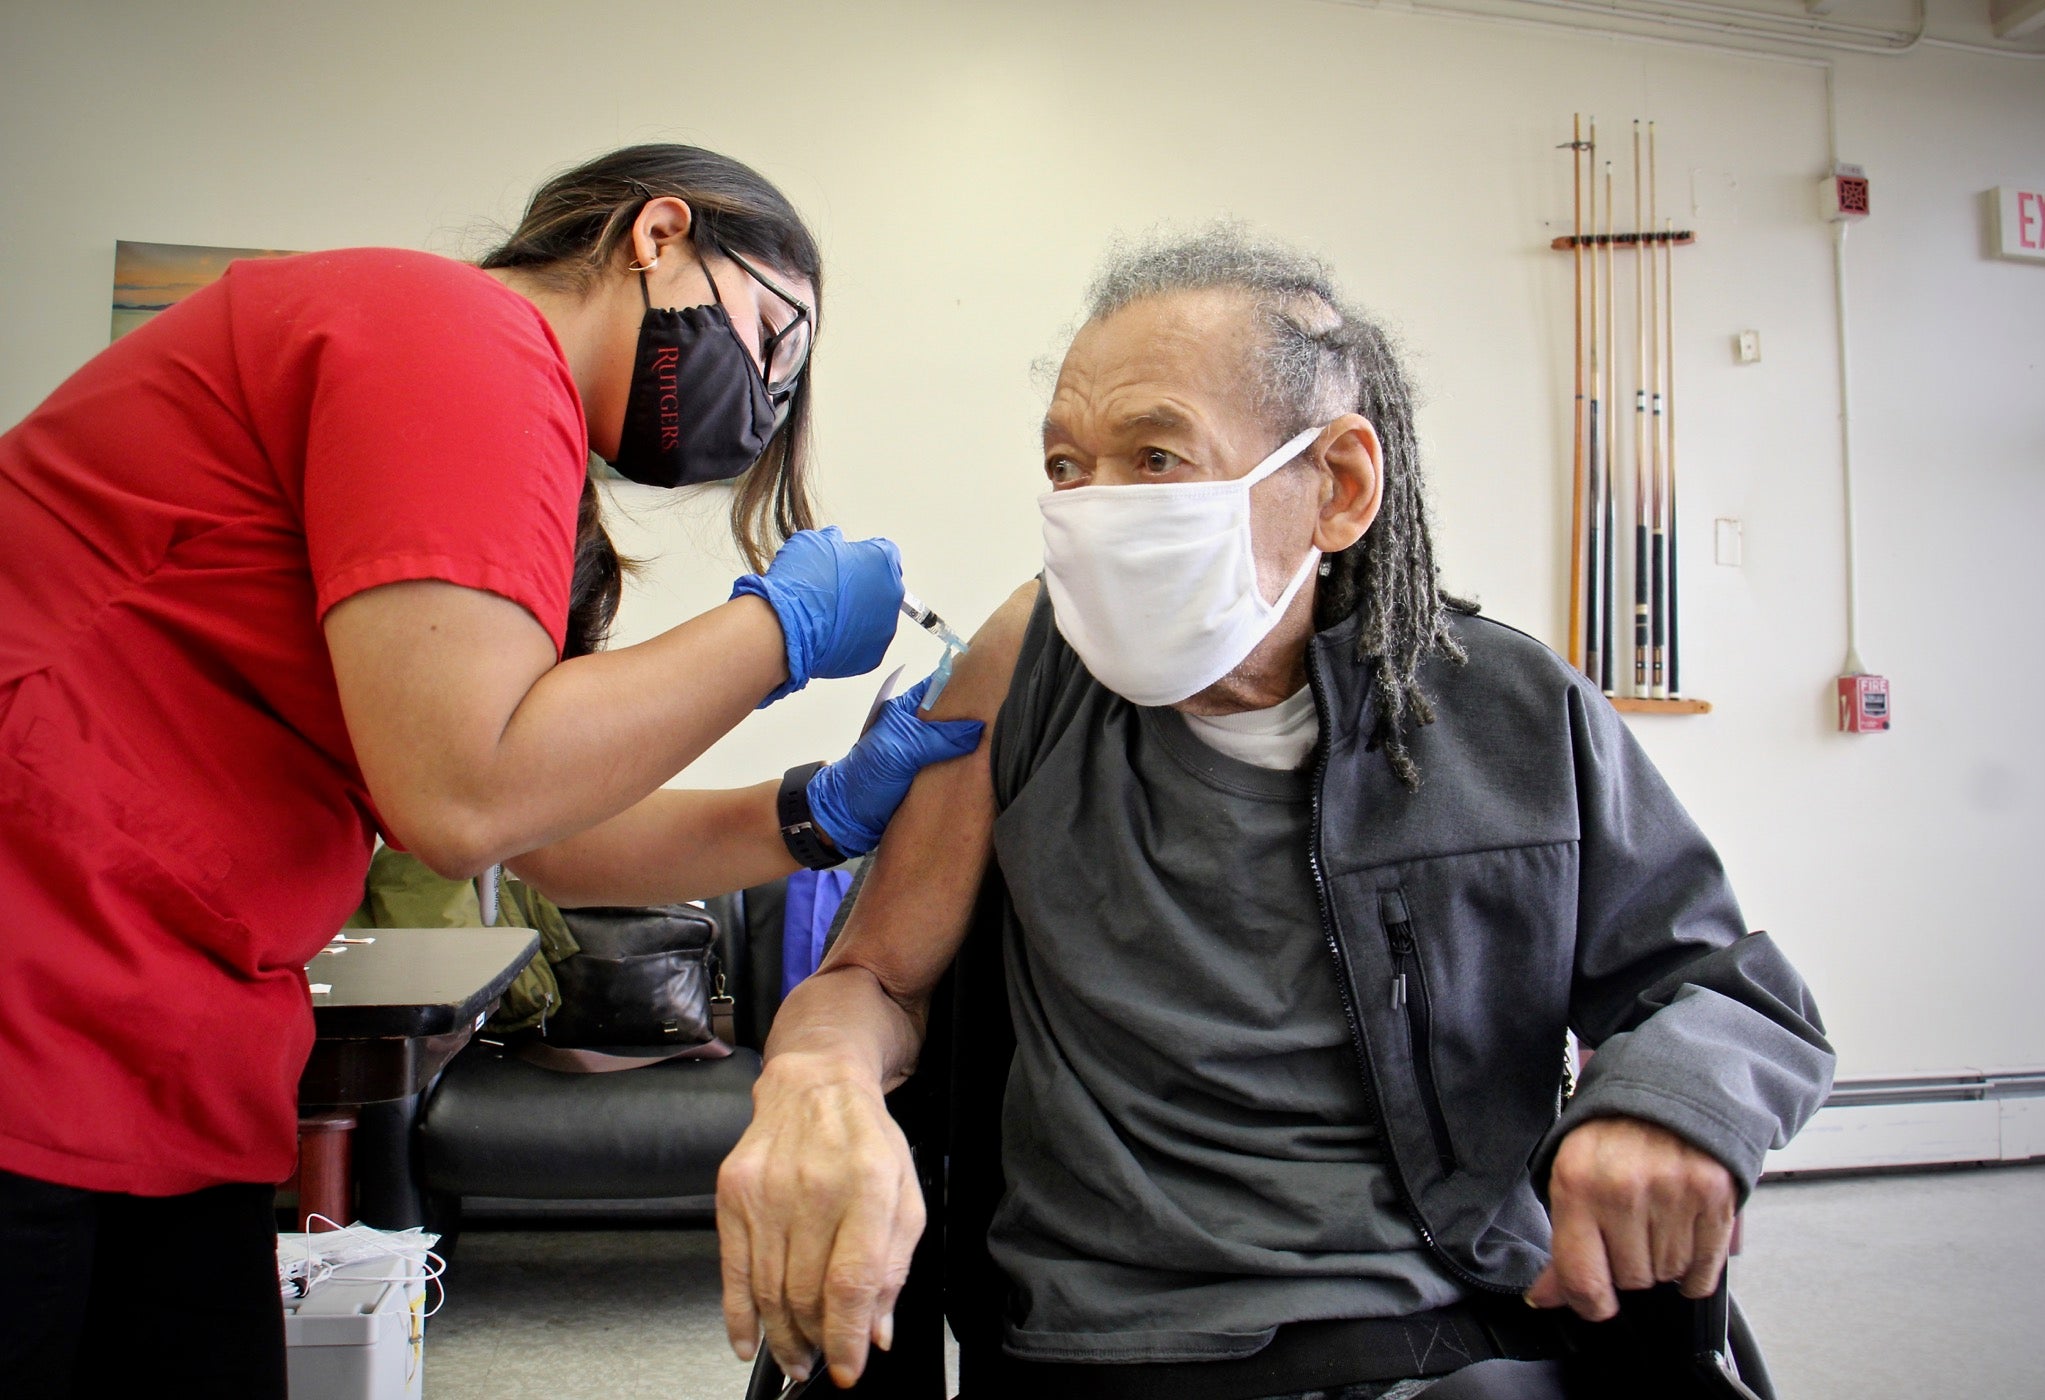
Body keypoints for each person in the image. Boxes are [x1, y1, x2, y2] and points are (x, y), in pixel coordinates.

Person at [716, 228, 1835, 1397]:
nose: (1094, 510)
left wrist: (1665, 1107)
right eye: (1065, 466)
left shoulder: (1510, 715)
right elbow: (875, 979)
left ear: (1337, 487)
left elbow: (1726, 993)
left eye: (1153, 457)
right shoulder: (1029, 665)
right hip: (1112, 1350)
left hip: (1450, 1325)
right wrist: (818, 1082)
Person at [0, 143, 980, 1396]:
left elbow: (536, 829)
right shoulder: (457, 334)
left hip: (155, 1035)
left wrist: (816, 810)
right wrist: (775, 631)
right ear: (660, 235)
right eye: (774, 336)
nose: (770, 399)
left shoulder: (507, 439)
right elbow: (467, 796)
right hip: (42, 965)